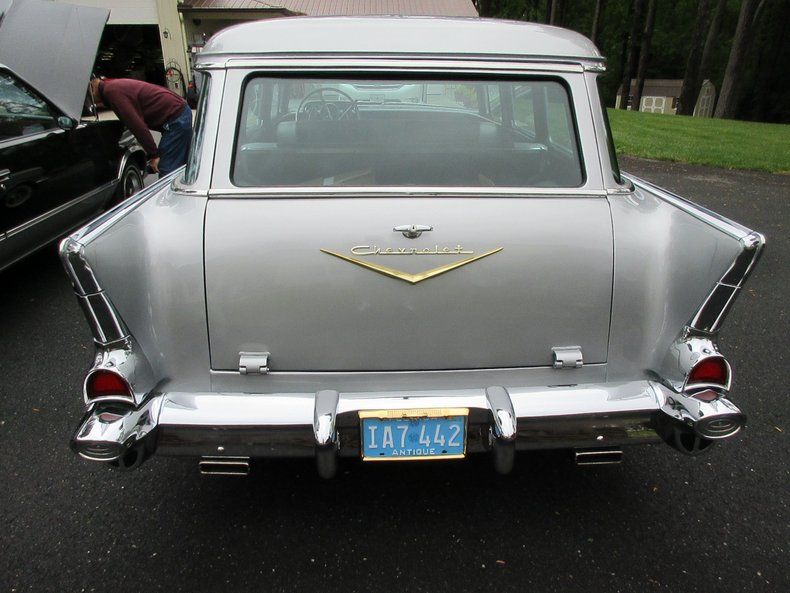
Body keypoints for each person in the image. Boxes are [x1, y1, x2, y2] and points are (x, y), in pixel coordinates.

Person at [89, 77, 192, 177]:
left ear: (91, 88)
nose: (93, 103)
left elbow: (137, 126)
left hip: (176, 117)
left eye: (89, 98)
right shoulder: (110, 85)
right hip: (178, 111)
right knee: (183, 165)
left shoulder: (112, 93)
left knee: (167, 169)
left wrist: (154, 155)